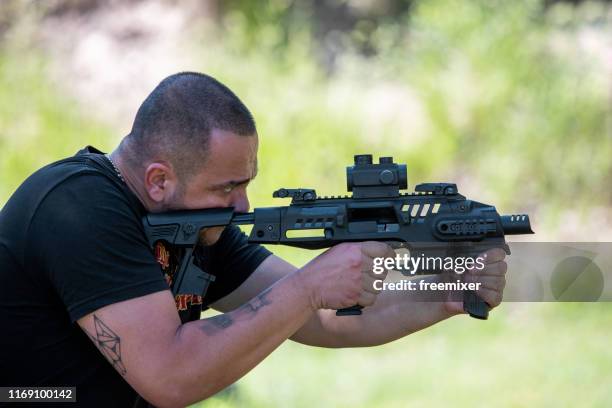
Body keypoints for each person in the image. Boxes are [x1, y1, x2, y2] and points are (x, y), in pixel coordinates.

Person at [0, 72, 507, 407]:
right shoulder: (78, 207)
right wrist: (309, 285)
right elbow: (170, 376)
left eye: (244, 183)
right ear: (159, 180)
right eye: (227, 187)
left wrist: (447, 288)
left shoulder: (194, 219)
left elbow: (323, 321)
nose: (241, 204)